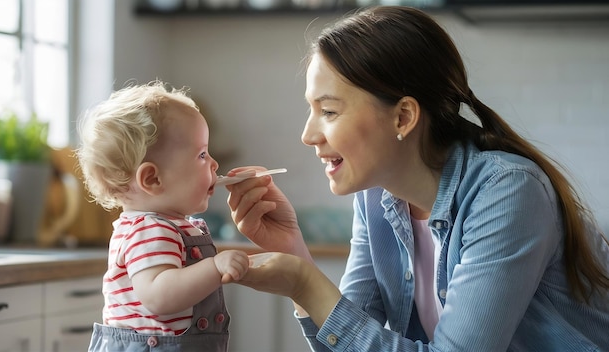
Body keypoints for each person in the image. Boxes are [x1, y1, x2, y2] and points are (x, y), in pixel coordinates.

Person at [224, 6, 609, 351]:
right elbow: (345, 344)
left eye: (328, 111)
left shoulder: (507, 192)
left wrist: (306, 284)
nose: (308, 135)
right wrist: (295, 254)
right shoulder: (375, 197)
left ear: (403, 117)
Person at [77, 80, 249, 352]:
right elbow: (158, 294)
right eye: (202, 154)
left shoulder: (171, 226)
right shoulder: (149, 229)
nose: (215, 164)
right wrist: (215, 268)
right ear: (153, 178)